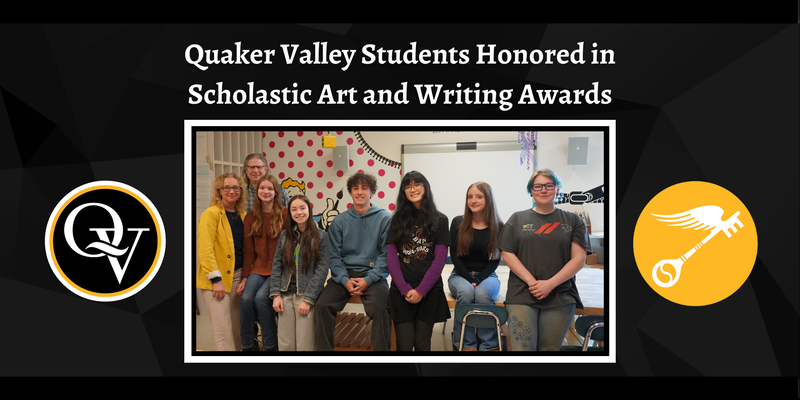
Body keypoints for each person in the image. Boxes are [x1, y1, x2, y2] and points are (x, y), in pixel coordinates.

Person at [498, 168, 592, 351]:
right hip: (522, 295)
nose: (543, 190)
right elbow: (508, 253)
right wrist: (533, 283)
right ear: (531, 191)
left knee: (549, 351)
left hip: (560, 295)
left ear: (557, 189)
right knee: (523, 350)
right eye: (538, 186)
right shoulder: (517, 219)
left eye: (549, 185)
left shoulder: (573, 221)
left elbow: (579, 259)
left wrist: (549, 284)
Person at [315, 172, 393, 352]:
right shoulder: (339, 221)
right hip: (344, 275)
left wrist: (369, 279)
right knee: (322, 305)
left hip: (372, 277)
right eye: (355, 188)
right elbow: (333, 256)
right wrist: (344, 280)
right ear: (350, 192)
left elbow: (386, 255)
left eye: (364, 188)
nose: (360, 192)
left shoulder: (384, 219)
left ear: (372, 192)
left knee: (381, 308)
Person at [386, 171, 450, 351]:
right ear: (403, 192)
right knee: (404, 346)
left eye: (417, 184)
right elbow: (391, 258)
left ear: (425, 187)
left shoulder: (440, 219)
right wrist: (405, 289)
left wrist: (421, 290)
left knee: (423, 346)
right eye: (407, 186)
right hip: (402, 291)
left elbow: (439, 260)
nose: (412, 189)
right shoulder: (397, 219)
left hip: (428, 292)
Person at [447, 182, 504, 351]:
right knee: (466, 291)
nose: (473, 200)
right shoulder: (458, 222)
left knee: (483, 293)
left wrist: (479, 279)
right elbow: (455, 256)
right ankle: (465, 343)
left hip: (487, 275)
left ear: (488, 200)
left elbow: (495, 260)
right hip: (460, 274)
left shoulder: (498, 226)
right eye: (470, 197)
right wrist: (470, 279)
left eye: (479, 197)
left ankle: (489, 345)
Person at [269, 195, 330, 351]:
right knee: (286, 343)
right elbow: (277, 265)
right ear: (290, 213)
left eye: (302, 208)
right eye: (294, 209)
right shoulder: (284, 236)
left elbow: (322, 270)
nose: (299, 212)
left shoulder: (321, 236)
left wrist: (308, 300)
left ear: (309, 209)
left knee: (304, 343)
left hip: (305, 294)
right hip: (285, 293)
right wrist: (276, 295)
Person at [196, 172, 247, 351]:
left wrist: (245, 277)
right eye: (227, 187)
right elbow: (205, 250)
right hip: (215, 280)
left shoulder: (242, 214)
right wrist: (216, 280)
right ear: (219, 191)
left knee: (237, 328)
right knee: (222, 330)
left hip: (238, 276)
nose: (231, 191)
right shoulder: (211, 214)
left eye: (236, 187)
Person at [239, 175, 287, 351]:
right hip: (258, 269)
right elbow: (249, 252)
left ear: (276, 192)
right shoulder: (250, 217)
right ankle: (248, 346)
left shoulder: (285, 213)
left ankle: (271, 347)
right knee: (245, 300)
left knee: (261, 299)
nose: (265, 192)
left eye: (270, 189)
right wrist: (245, 277)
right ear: (257, 191)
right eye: (262, 188)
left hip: (279, 269)